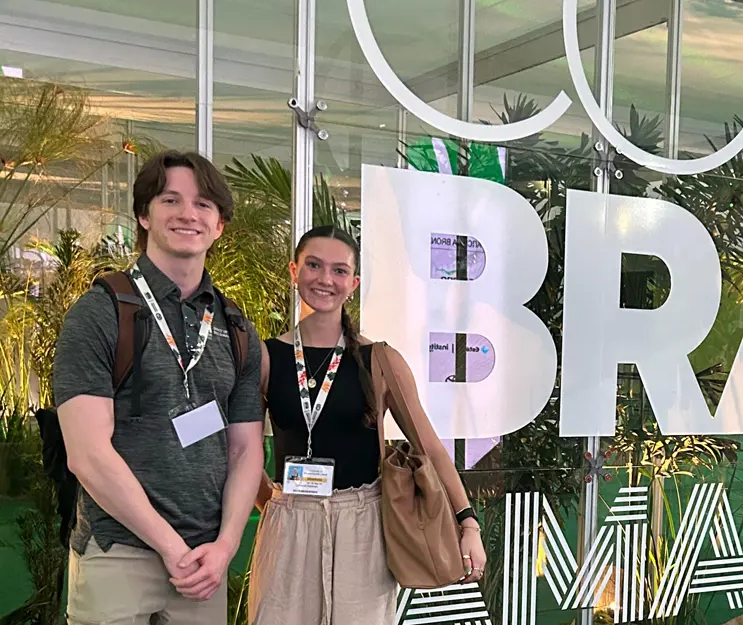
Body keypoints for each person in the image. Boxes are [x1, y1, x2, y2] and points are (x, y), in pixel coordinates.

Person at [54, 150, 265, 625]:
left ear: (219, 226)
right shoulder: (101, 312)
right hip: (118, 552)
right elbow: (86, 453)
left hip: (204, 562)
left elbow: (245, 450)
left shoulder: (236, 328)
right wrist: (170, 547)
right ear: (144, 215)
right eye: (171, 199)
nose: (188, 213)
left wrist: (226, 546)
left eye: (204, 204)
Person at [249, 225, 486, 625]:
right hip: (289, 523)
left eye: (339, 271)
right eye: (313, 265)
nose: (325, 279)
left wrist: (468, 522)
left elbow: (428, 446)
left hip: (362, 525)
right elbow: (245, 452)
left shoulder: (380, 360)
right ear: (294, 271)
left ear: (353, 283)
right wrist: (279, 506)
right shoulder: (266, 357)